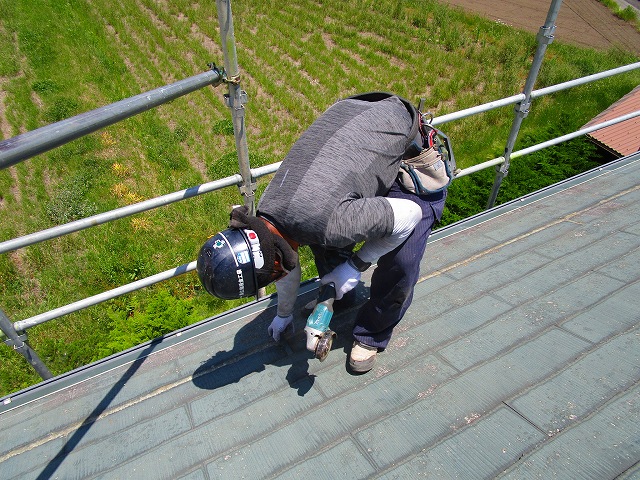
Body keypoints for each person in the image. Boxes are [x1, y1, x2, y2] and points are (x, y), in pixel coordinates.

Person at [197, 92, 447, 373]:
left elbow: (408, 215)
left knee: (401, 261)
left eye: (273, 274)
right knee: (323, 235)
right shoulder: (267, 216)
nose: (276, 275)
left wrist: (355, 266)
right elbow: (282, 261)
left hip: (406, 149)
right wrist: (283, 314)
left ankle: (372, 333)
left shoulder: (327, 223)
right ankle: (340, 298)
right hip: (359, 119)